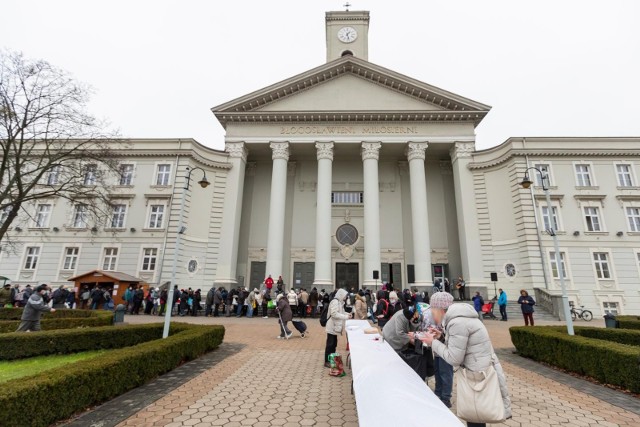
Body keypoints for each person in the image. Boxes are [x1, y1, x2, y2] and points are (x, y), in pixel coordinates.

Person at [420, 292, 511, 427]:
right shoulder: (459, 319)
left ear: (440, 309)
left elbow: (454, 358)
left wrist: (433, 342)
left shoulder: (457, 323)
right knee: (476, 416)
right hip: (477, 374)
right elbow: (461, 345)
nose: (432, 314)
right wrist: (441, 337)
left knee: (475, 416)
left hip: (477, 378)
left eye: (432, 310)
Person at [324, 288, 352, 367]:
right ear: (341, 295)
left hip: (335, 326)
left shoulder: (340, 302)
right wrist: (346, 316)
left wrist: (347, 314)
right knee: (330, 344)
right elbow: (334, 314)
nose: (346, 297)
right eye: (345, 296)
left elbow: (341, 312)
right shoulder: (335, 302)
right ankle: (327, 361)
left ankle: (332, 359)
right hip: (332, 326)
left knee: (334, 344)